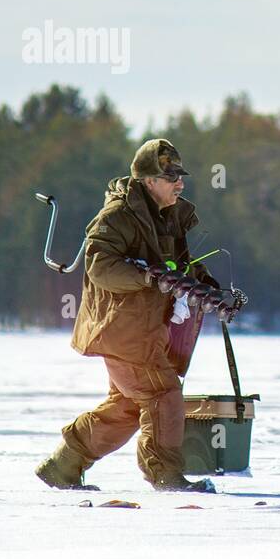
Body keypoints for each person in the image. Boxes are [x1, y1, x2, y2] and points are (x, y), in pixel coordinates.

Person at [35, 138, 220, 493]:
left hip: (146, 330)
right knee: (163, 394)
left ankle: (63, 465)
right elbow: (100, 267)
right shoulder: (118, 216)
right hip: (123, 330)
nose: (180, 183)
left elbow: (180, 267)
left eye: (181, 176)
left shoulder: (167, 217)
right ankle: (165, 476)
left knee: (127, 406)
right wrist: (146, 276)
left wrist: (206, 284)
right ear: (149, 181)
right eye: (171, 177)